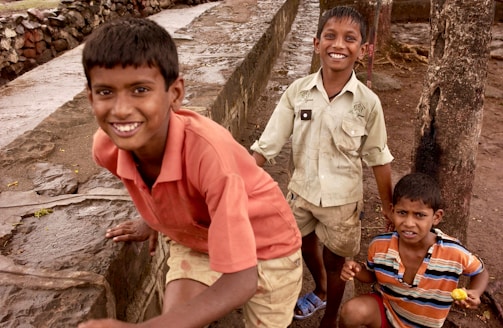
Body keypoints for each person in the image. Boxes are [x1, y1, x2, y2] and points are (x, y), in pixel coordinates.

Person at [77, 17, 303, 328]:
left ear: (175, 93)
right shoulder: (107, 148)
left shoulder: (209, 155)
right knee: (177, 319)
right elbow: (152, 186)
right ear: (90, 97)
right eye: (105, 92)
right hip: (198, 239)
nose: (121, 109)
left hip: (267, 246)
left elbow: (242, 280)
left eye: (140, 89)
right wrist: (154, 219)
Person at [250, 6, 393, 326]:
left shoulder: (367, 103)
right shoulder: (298, 92)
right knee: (299, 242)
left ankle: (329, 318)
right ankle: (321, 290)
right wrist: (239, 171)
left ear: (363, 49)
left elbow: (377, 156)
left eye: (349, 39)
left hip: (343, 202)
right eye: (330, 36)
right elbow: (269, 142)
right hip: (300, 191)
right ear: (316, 43)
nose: (338, 45)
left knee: (336, 260)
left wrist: (388, 205)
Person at [339, 172, 490, 328]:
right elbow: (371, 275)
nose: (409, 223)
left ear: (436, 217)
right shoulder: (379, 245)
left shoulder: (453, 252)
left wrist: (476, 292)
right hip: (387, 312)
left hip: (425, 325)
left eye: (419, 215)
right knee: (352, 311)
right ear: (392, 211)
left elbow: (480, 272)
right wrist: (356, 270)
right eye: (402, 213)